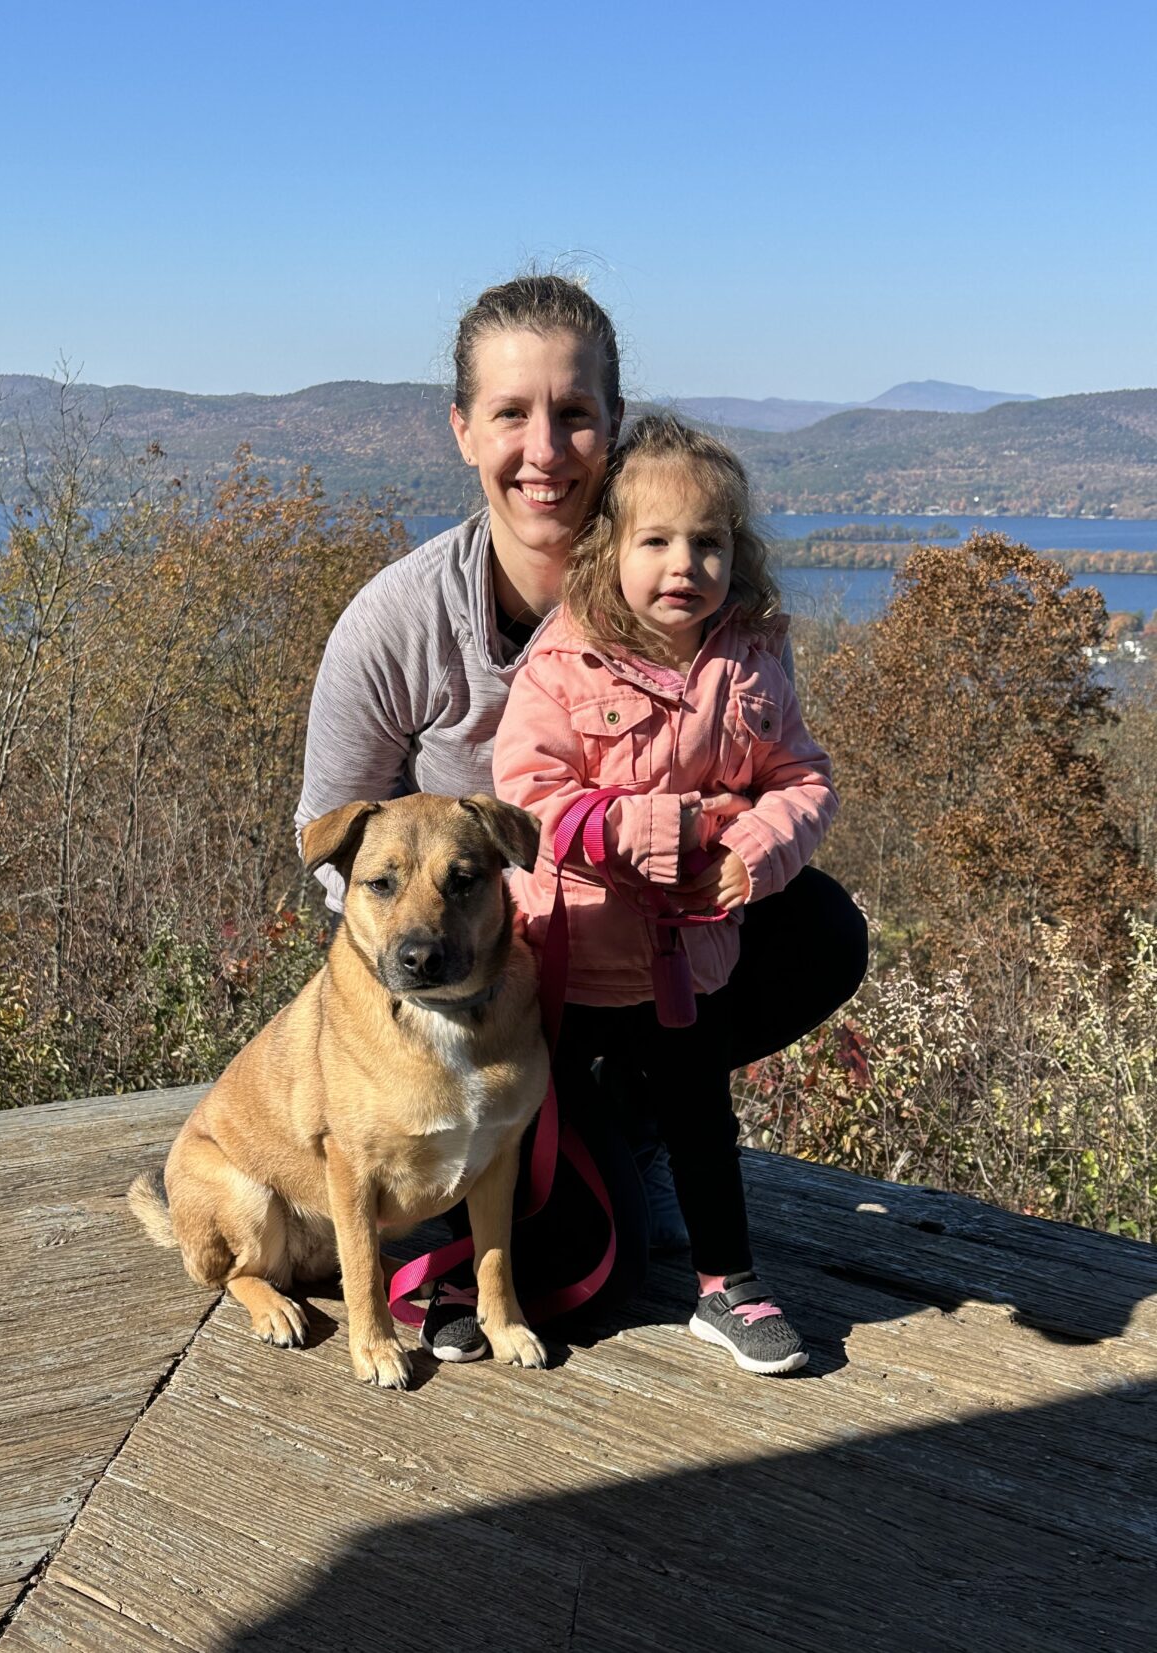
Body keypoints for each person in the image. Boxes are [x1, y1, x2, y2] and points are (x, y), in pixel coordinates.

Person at [297, 274, 867, 1362]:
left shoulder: (694, 601)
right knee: (580, 1285)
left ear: (612, 428)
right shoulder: (397, 625)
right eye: (512, 413)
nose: (545, 448)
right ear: (463, 430)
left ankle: (634, 1125)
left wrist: (738, 839)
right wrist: (427, 979)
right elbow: (330, 840)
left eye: (573, 414)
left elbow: (774, 766)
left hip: (661, 950)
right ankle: (530, 1183)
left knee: (823, 925)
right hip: (499, 977)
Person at [492, 413, 834, 1374]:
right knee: (540, 1152)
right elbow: (528, 797)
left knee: (702, 1117)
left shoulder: (753, 658)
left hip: (692, 958)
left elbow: (804, 779)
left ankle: (727, 1285)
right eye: (657, 540)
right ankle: (464, 1256)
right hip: (574, 964)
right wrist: (647, 826)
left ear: (738, 552)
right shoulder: (564, 661)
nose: (685, 564)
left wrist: (759, 849)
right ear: (609, 550)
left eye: (710, 542)